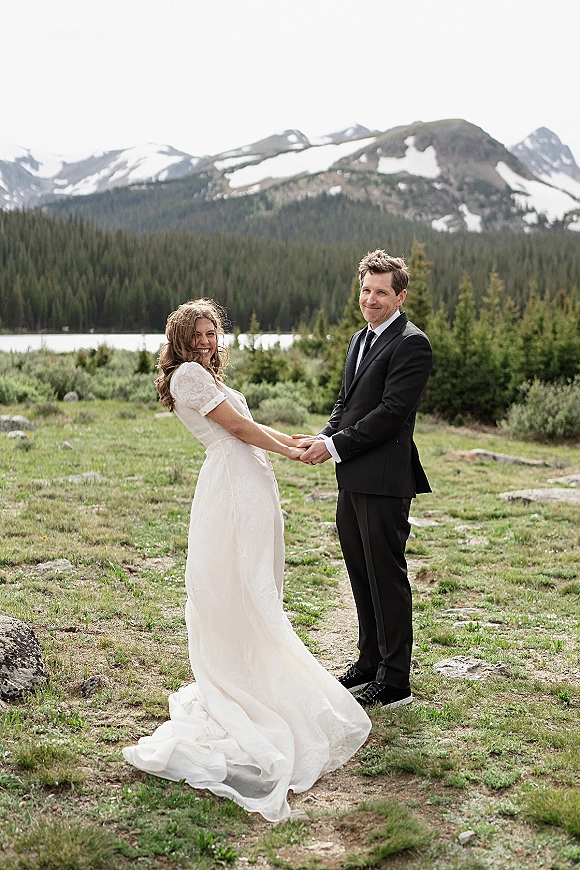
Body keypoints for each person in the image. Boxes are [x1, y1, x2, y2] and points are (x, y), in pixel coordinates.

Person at [122, 299, 370, 823]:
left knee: (258, 582)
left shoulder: (204, 373)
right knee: (242, 585)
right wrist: (293, 451)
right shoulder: (189, 376)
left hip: (249, 479)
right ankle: (244, 680)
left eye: (213, 333)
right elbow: (237, 430)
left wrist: (306, 441)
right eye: (198, 334)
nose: (208, 342)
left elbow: (250, 425)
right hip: (232, 485)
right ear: (181, 339)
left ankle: (256, 672)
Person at [298, 251, 433, 710]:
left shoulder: (413, 343)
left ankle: (395, 679)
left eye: (381, 292)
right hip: (351, 476)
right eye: (365, 290)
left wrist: (334, 447)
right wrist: (323, 435)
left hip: (384, 479)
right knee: (360, 572)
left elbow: (391, 414)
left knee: (386, 577)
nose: (370, 300)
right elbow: (347, 403)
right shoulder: (360, 339)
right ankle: (369, 660)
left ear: (400, 295)